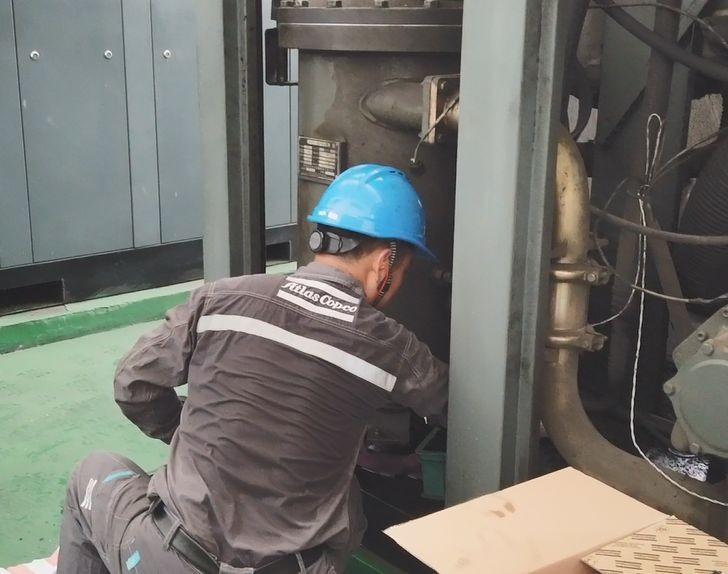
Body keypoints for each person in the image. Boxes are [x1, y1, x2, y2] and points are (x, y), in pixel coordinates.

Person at [57, 164, 449, 574]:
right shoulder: (391, 346)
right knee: (344, 495)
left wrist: (186, 433)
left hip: (172, 561)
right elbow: (456, 408)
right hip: (295, 568)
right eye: (403, 272)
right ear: (385, 263)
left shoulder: (220, 299)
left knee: (93, 471)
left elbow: (133, 383)